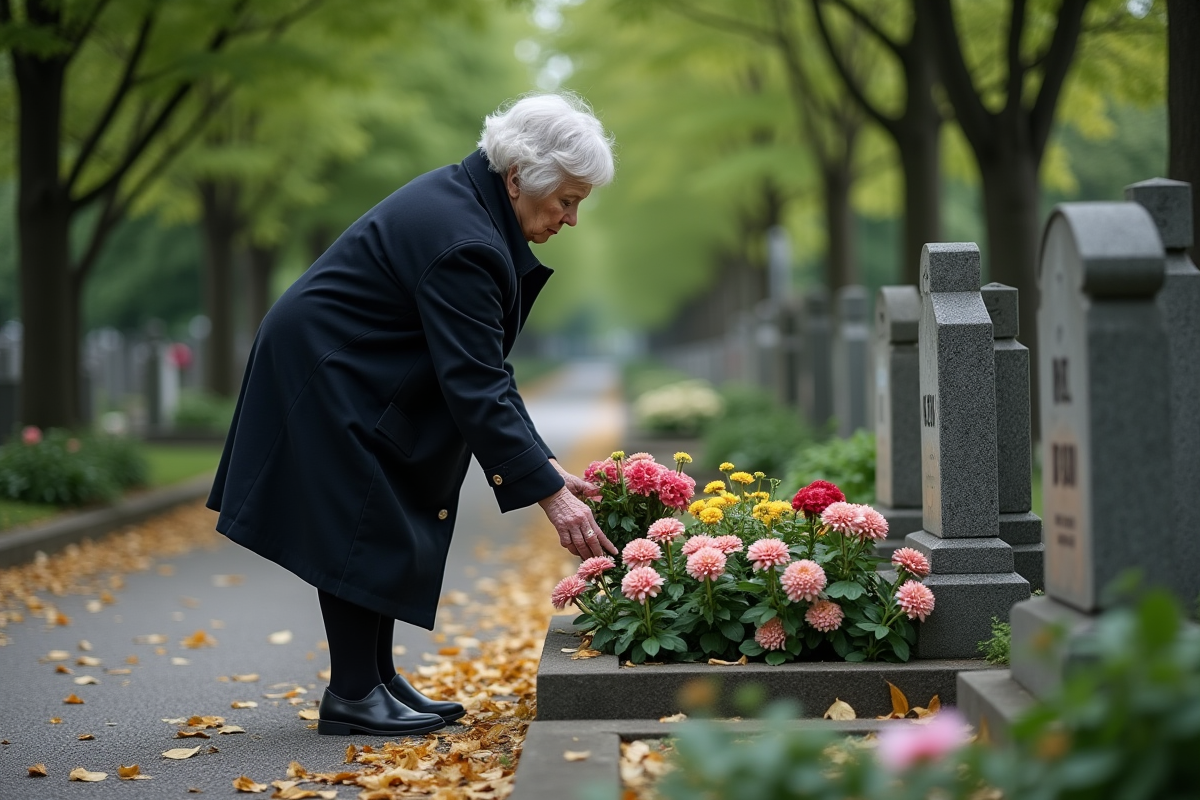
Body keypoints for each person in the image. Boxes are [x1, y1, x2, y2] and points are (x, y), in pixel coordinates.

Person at [207, 93, 619, 737]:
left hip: (348, 360)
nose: (569, 218)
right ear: (518, 178)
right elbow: (476, 381)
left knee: (380, 511)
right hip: (329, 366)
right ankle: (352, 693)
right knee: (361, 514)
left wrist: (543, 465)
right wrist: (549, 496)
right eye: (566, 200)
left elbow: (487, 373)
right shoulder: (465, 240)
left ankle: (374, 678)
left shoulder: (470, 207)